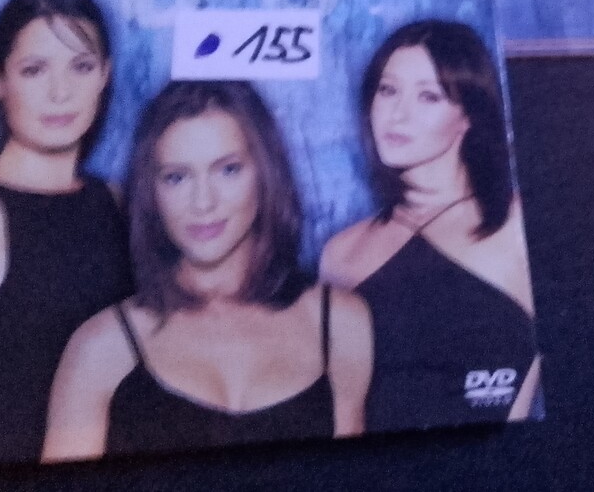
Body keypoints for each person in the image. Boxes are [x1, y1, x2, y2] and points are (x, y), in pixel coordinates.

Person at [42, 81, 372, 461]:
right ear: (152, 193)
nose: (203, 202)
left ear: (266, 175)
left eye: (228, 170)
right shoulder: (101, 347)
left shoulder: (340, 323)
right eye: (177, 177)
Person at [320, 20, 540, 432]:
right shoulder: (341, 253)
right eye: (388, 90)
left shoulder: (516, 226)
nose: (398, 114)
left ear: (468, 115)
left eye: (428, 96)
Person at [0, 0, 133, 467]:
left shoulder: (114, 201)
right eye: (34, 69)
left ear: (105, 74)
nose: (60, 92)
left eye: (81, 66)